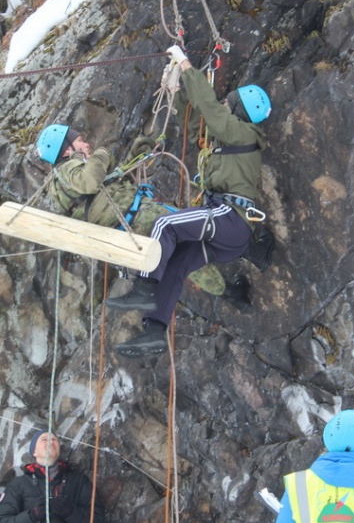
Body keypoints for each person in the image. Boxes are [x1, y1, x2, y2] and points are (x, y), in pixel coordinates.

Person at [103, 44, 271, 356]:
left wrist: (185, 66)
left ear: (238, 110)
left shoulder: (243, 133)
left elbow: (209, 106)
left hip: (230, 218)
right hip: (226, 232)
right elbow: (196, 126)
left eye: (229, 102)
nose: (223, 103)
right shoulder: (226, 139)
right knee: (178, 263)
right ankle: (154, 331)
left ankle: (144, 287)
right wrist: (176, 91)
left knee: (165, 225)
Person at [35, 123, 251, 313]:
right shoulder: (68, 168)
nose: (86, 144)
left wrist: (133, 157)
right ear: (67, 150)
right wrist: (102, 153)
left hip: (130, 228)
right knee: (197, 229)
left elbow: (104, 188)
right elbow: (92, 181)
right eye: (80, 141)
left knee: (184, 256)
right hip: (140, 218)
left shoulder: (62, 186)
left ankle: (233, 295)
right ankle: (252, 251)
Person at [0, 430, 103, 523]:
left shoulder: (78, 480)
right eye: (44, 439)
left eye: (54, 440)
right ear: (34, 451)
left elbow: (96, 521)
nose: (50, 442)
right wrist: (32, 516)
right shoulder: (19, 484)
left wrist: (71, 512)